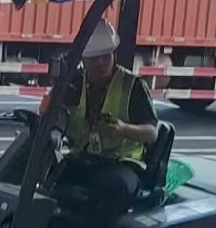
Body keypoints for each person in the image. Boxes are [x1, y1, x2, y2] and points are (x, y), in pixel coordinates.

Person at [64, 18, 159, 160]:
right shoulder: (73, 84)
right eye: (94, 58)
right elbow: (56, 113)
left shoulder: (132, 85)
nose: (100, 63)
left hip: (123, 162)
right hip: (83, 158)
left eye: (106, 56)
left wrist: (124, 130)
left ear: (114, 53)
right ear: (82, 58)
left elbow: (152, 133)